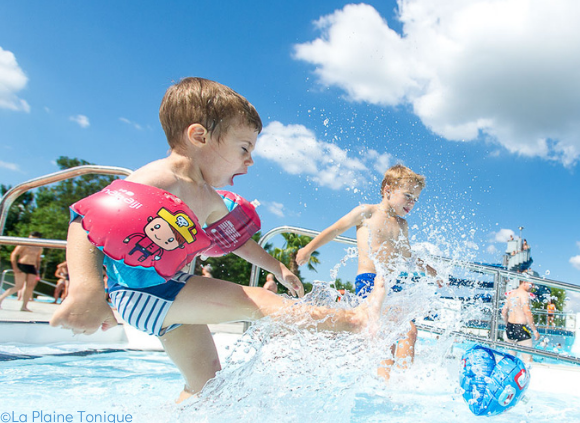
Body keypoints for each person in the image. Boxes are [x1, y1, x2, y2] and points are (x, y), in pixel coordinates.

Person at [49, 77, 385, 402]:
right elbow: (85, 219)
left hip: (166, 295)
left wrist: (277, 268)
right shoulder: (160, 178)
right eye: (243, 148)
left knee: (207, 389)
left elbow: (236, 241)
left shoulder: (208, 197)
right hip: (146, 292)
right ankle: (356, 320)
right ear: (199, 136)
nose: (250, 159)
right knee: (256, 301)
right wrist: (87, 288)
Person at [296, 164, 437, 380]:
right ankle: (384, 382)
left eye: (415, 199)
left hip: (392, 285)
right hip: (369, 281)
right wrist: (308, 249)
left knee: (410, 331)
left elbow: (408, 255)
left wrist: (430, 271)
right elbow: (335, 229)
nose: (412, 202)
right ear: (388, 190)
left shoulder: (403, 225)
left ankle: (404, 382)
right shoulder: (367, 213)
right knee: (383, 331)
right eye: (408, 195)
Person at [0, 232, 43, 311]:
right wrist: (15, 267)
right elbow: (13, 254)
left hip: (32, 266)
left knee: (30, 287)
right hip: (22, 264)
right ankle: (1, 299)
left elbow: (38, 259)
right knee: (18, 286)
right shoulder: (24, 244)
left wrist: (37, 270)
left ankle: (24, 306)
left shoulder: (39, 247)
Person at [501, 279, 538, 363]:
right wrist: (534, 331)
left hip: (510, 328)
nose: (533, 287)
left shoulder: (511, 294)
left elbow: (504, 312)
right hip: (521, 328)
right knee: (528, 360)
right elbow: (527, 312)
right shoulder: (524, 294)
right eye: (531, 284)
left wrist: (507, 324)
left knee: (510, 359)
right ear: (524, 282)